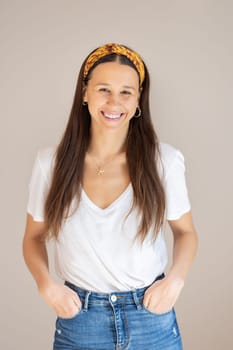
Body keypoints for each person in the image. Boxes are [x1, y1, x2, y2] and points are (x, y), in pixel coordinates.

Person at [22, 43, 198, 350]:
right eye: (104, 89)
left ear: (138, 99)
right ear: (85, 93)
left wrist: (175, 280)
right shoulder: (50, 164)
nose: (114, 102)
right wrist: (46, 285)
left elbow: (186, 233)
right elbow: (32, 237)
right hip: (81, 323)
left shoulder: (164, 161)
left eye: (126, 92)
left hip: (150, 320)